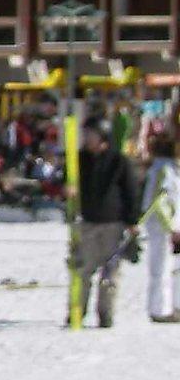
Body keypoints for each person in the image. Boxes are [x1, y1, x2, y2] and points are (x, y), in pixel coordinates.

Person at [78, 119, 142, 328]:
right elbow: (70, 181)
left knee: (110, 273)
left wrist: (132, 220)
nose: (87, 139)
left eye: (91, 134)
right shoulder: (80, 159)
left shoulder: (118, 161)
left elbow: (131, 192)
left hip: (113, 223)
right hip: (87, 222)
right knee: (83, 269)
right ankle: (77, 310)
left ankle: (105, 314)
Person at [145, 134, 180, 323]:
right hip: (162, 227)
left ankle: (170, 305)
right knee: (161, 266)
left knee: (170, 267)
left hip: (170, 225)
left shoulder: (170, 168)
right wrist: (171, 228)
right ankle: (159, 309)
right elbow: (159, 202)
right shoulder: (164, 169)